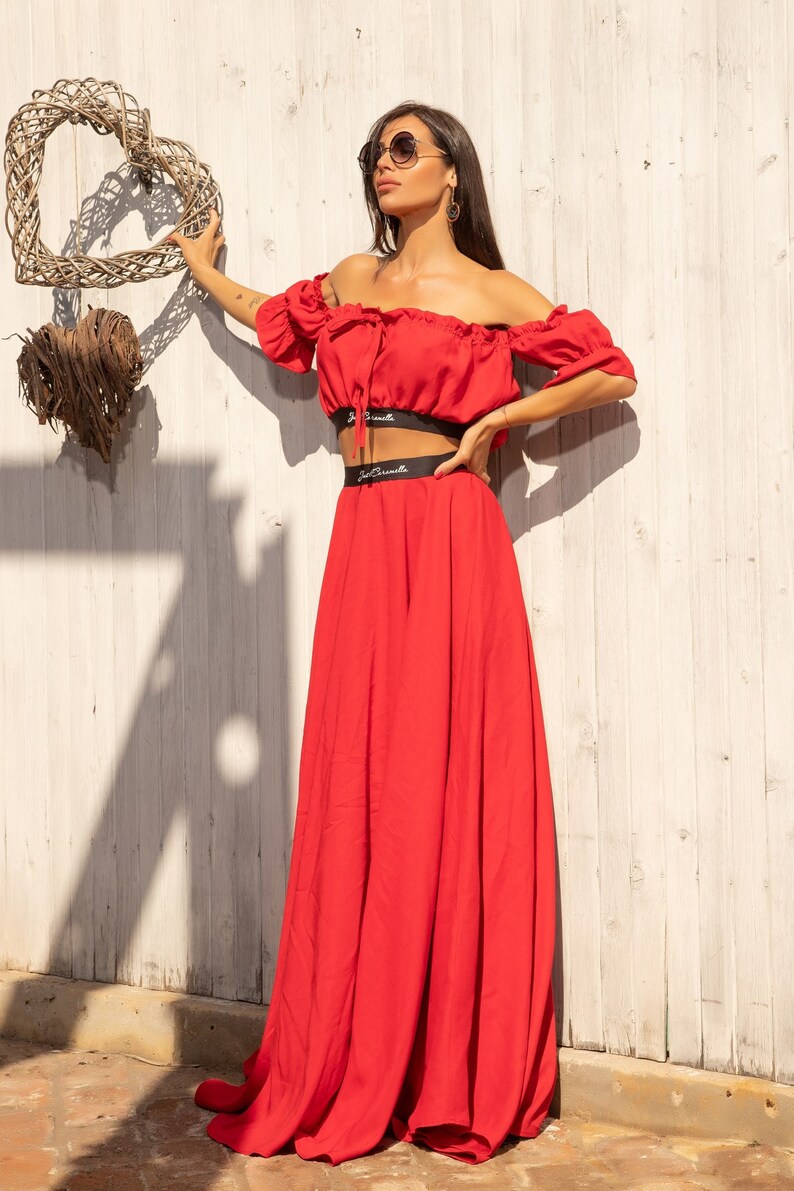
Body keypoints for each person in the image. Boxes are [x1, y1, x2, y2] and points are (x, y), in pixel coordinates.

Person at [166, 101, 637, 1167]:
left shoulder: (488, 292)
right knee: (359, 784)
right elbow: (269, 319)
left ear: (451, 174)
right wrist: (204, 273)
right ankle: (350, 1042)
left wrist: (499, 421)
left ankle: (441, 1063)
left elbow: (607, 368)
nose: (383, 163)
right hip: (365, 531)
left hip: (448, 531)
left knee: (436, 778)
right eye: (375, 150)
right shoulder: (345, 278)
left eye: (404, 147)